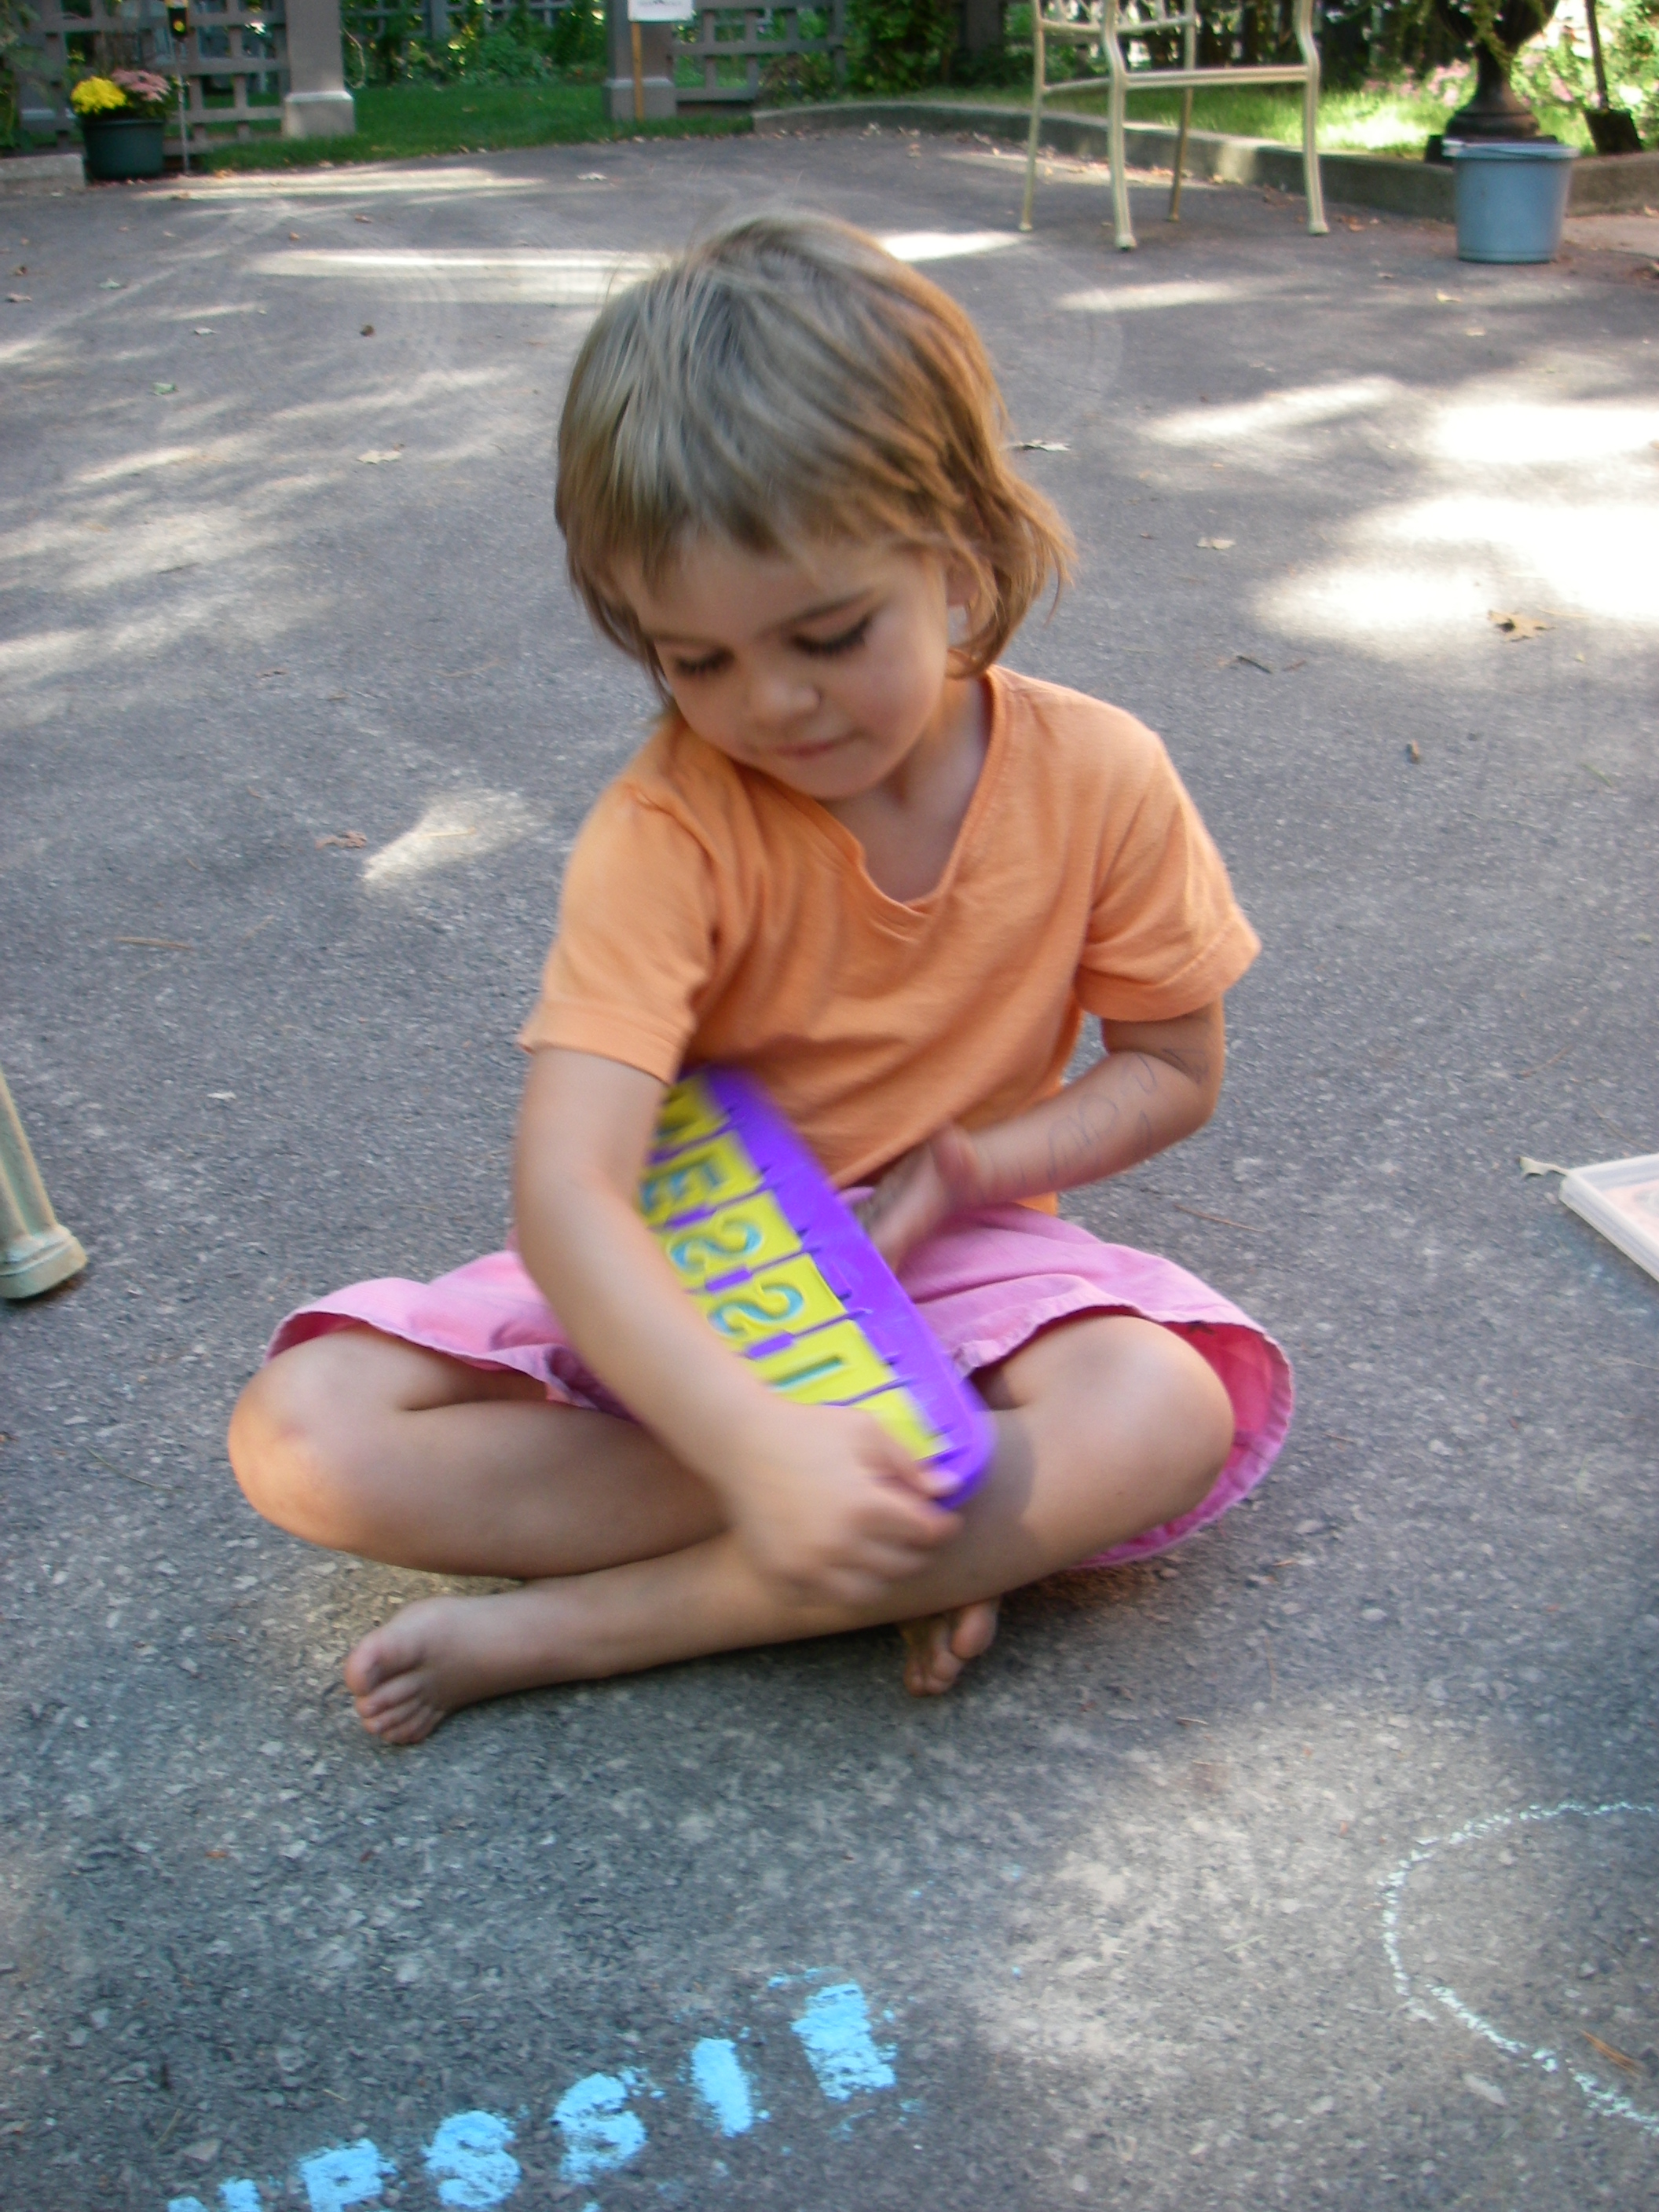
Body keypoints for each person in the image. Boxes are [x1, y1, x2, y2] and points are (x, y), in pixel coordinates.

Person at [228, 215, 1292, 1746]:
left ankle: (612, 1619)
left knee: (1162, 1408)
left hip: (952, 1265)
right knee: (300, 1437)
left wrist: (974, 1164)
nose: (773, 705)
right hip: (696, 1274)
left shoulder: (1102, 774)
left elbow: (1172, 1068)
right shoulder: (668, 830)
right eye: (697, 660)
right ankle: (908, 1530)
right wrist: (757, 1439)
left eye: (828, 634)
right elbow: (571, 1196)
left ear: (962, 550)